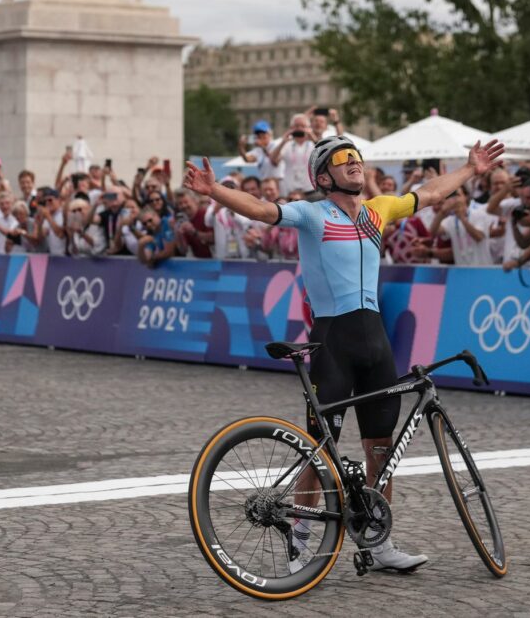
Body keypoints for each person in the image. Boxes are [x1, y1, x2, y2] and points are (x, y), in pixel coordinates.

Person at [184, 133, 505, 573]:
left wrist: (471, 169)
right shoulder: (313, 215)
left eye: (356, 156)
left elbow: (429, 194)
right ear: (322, 175)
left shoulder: (379, 209)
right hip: (333, 339)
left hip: (375, 340)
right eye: (342, 158)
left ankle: (378, 543)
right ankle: (299, 539)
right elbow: (262, 210)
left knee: (381, 448)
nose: (354, 162)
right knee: (318, 448)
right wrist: (214, 190)